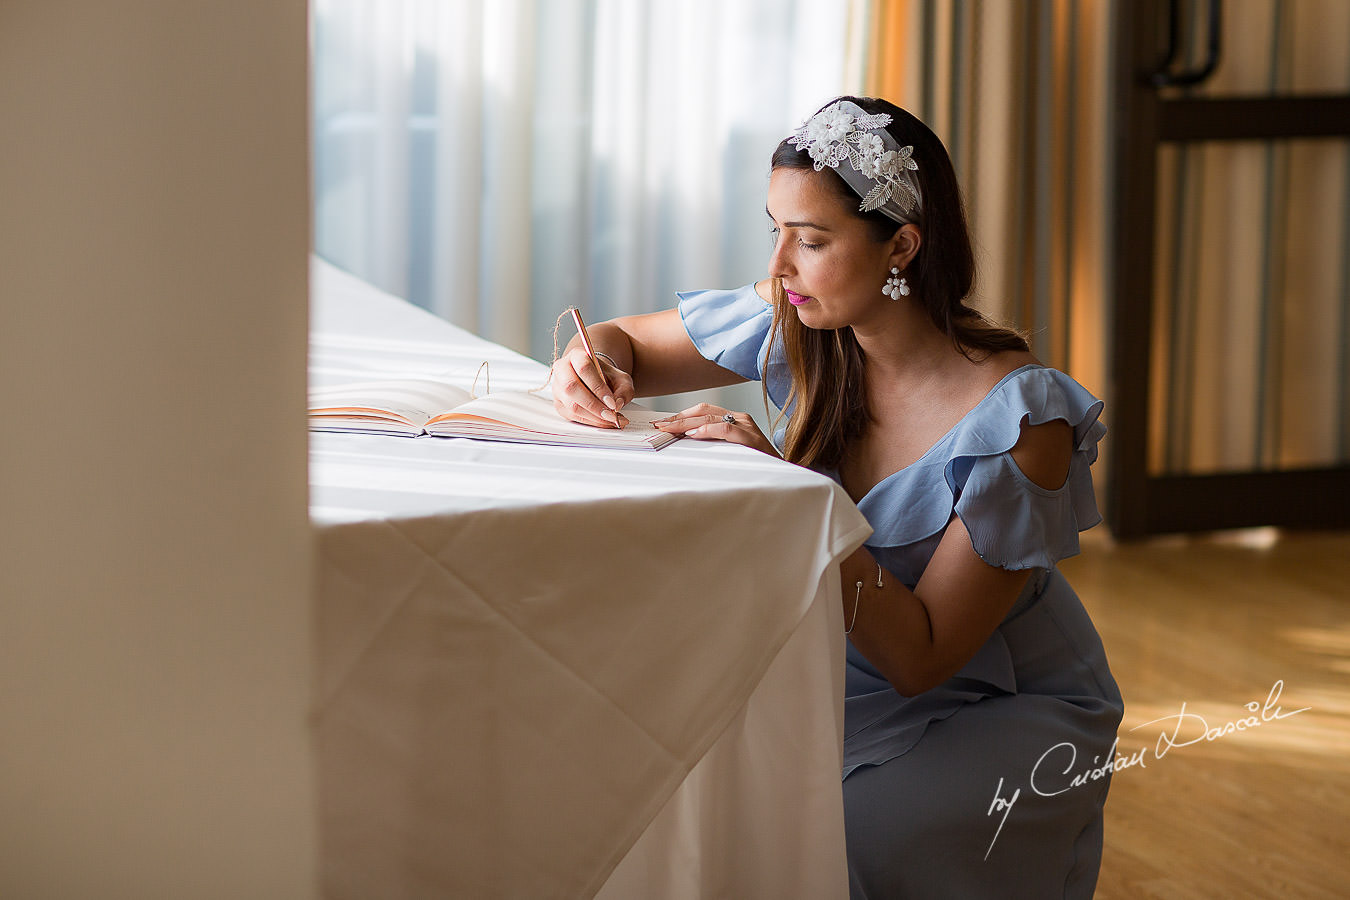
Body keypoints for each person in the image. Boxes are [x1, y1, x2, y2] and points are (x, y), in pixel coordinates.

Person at [550, 95, 1123, 898]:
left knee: (825, 827)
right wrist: (586, 364)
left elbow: (923, 658)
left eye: (811, 240)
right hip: (832, 665)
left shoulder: (1024, 423)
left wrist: (793, 493)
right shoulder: (805, 320)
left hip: (993, 705)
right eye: (775, 231)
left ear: (902, 247)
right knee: (645, 762)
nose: (780, 266)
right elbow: (625, 342)